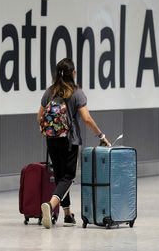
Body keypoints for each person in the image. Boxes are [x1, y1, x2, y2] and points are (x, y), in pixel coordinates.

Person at [37, 58, 111, 229]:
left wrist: (50, 131)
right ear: (73, 73)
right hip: (69, 140)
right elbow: (86, 118)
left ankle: (68, 215)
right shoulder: (76, 93)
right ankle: (49, 205)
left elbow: (39, 117)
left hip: (51, 140)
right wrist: (101, 135)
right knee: (68, 177)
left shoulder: (49, 92)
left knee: (61, 176)